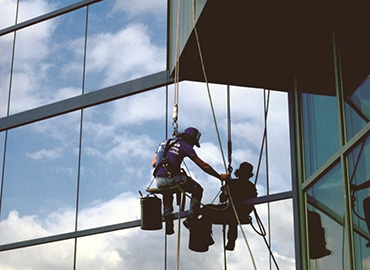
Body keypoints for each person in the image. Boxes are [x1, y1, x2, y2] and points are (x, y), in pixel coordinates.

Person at [152, 127, 229, 235]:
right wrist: (219, 176)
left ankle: (168, 215)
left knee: (167, 190)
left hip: (159, 180)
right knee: (197, 189)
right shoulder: (185, 146)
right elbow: (203, 165)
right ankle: (191, 218)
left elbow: (154, 163)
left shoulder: (164, 143)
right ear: (191, 139)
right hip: (173, 178)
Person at [201, 162, 257, 251]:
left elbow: (222, 199)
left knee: (207, 209)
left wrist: (226, 188)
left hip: (233, 210)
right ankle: (231, 241)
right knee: (232, 219)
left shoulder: (233, 183)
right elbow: (253, 201)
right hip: (241, 212)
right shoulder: (250, 186)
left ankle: (207, 237)